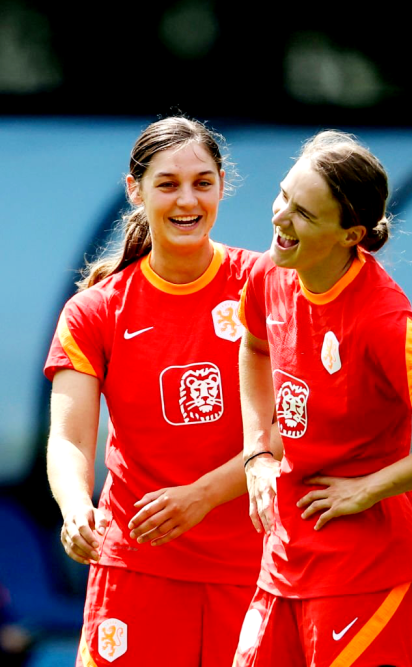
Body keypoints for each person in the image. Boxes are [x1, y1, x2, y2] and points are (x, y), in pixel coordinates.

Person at [234, 129, 412, 667]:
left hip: (366, 572)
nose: (280, 217)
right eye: (283, 195)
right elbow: (255, 347)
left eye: (304, 213)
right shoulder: (270, 273)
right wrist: (258, 451)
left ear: (350, 233)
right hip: (284, 558)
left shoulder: (380, 318)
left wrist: (369, 489)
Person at [44, 116, 278, 667]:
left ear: (222, 185)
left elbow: (287, 428)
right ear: (136, 190)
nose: (186, 200)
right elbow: (69, 439)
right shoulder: (96, 309)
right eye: (167, 183)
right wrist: (76, 507)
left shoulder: (266, 284)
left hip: (251, 566)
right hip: (135, 567)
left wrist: (203, 494)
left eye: (202, 182)